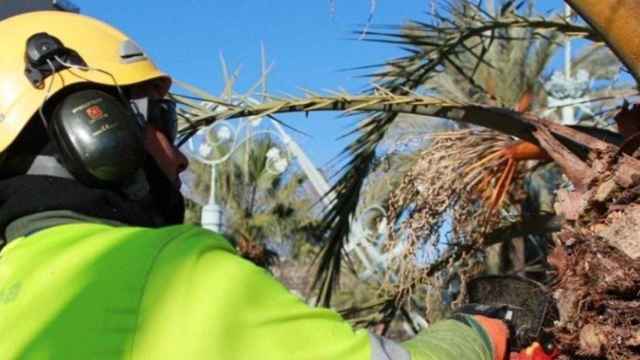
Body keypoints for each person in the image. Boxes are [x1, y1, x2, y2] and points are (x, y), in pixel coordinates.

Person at [0, 9, 511, 360]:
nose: (178, 159)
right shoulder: (167, 269)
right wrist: (478, 332)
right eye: (163, 120)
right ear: (94, 129)